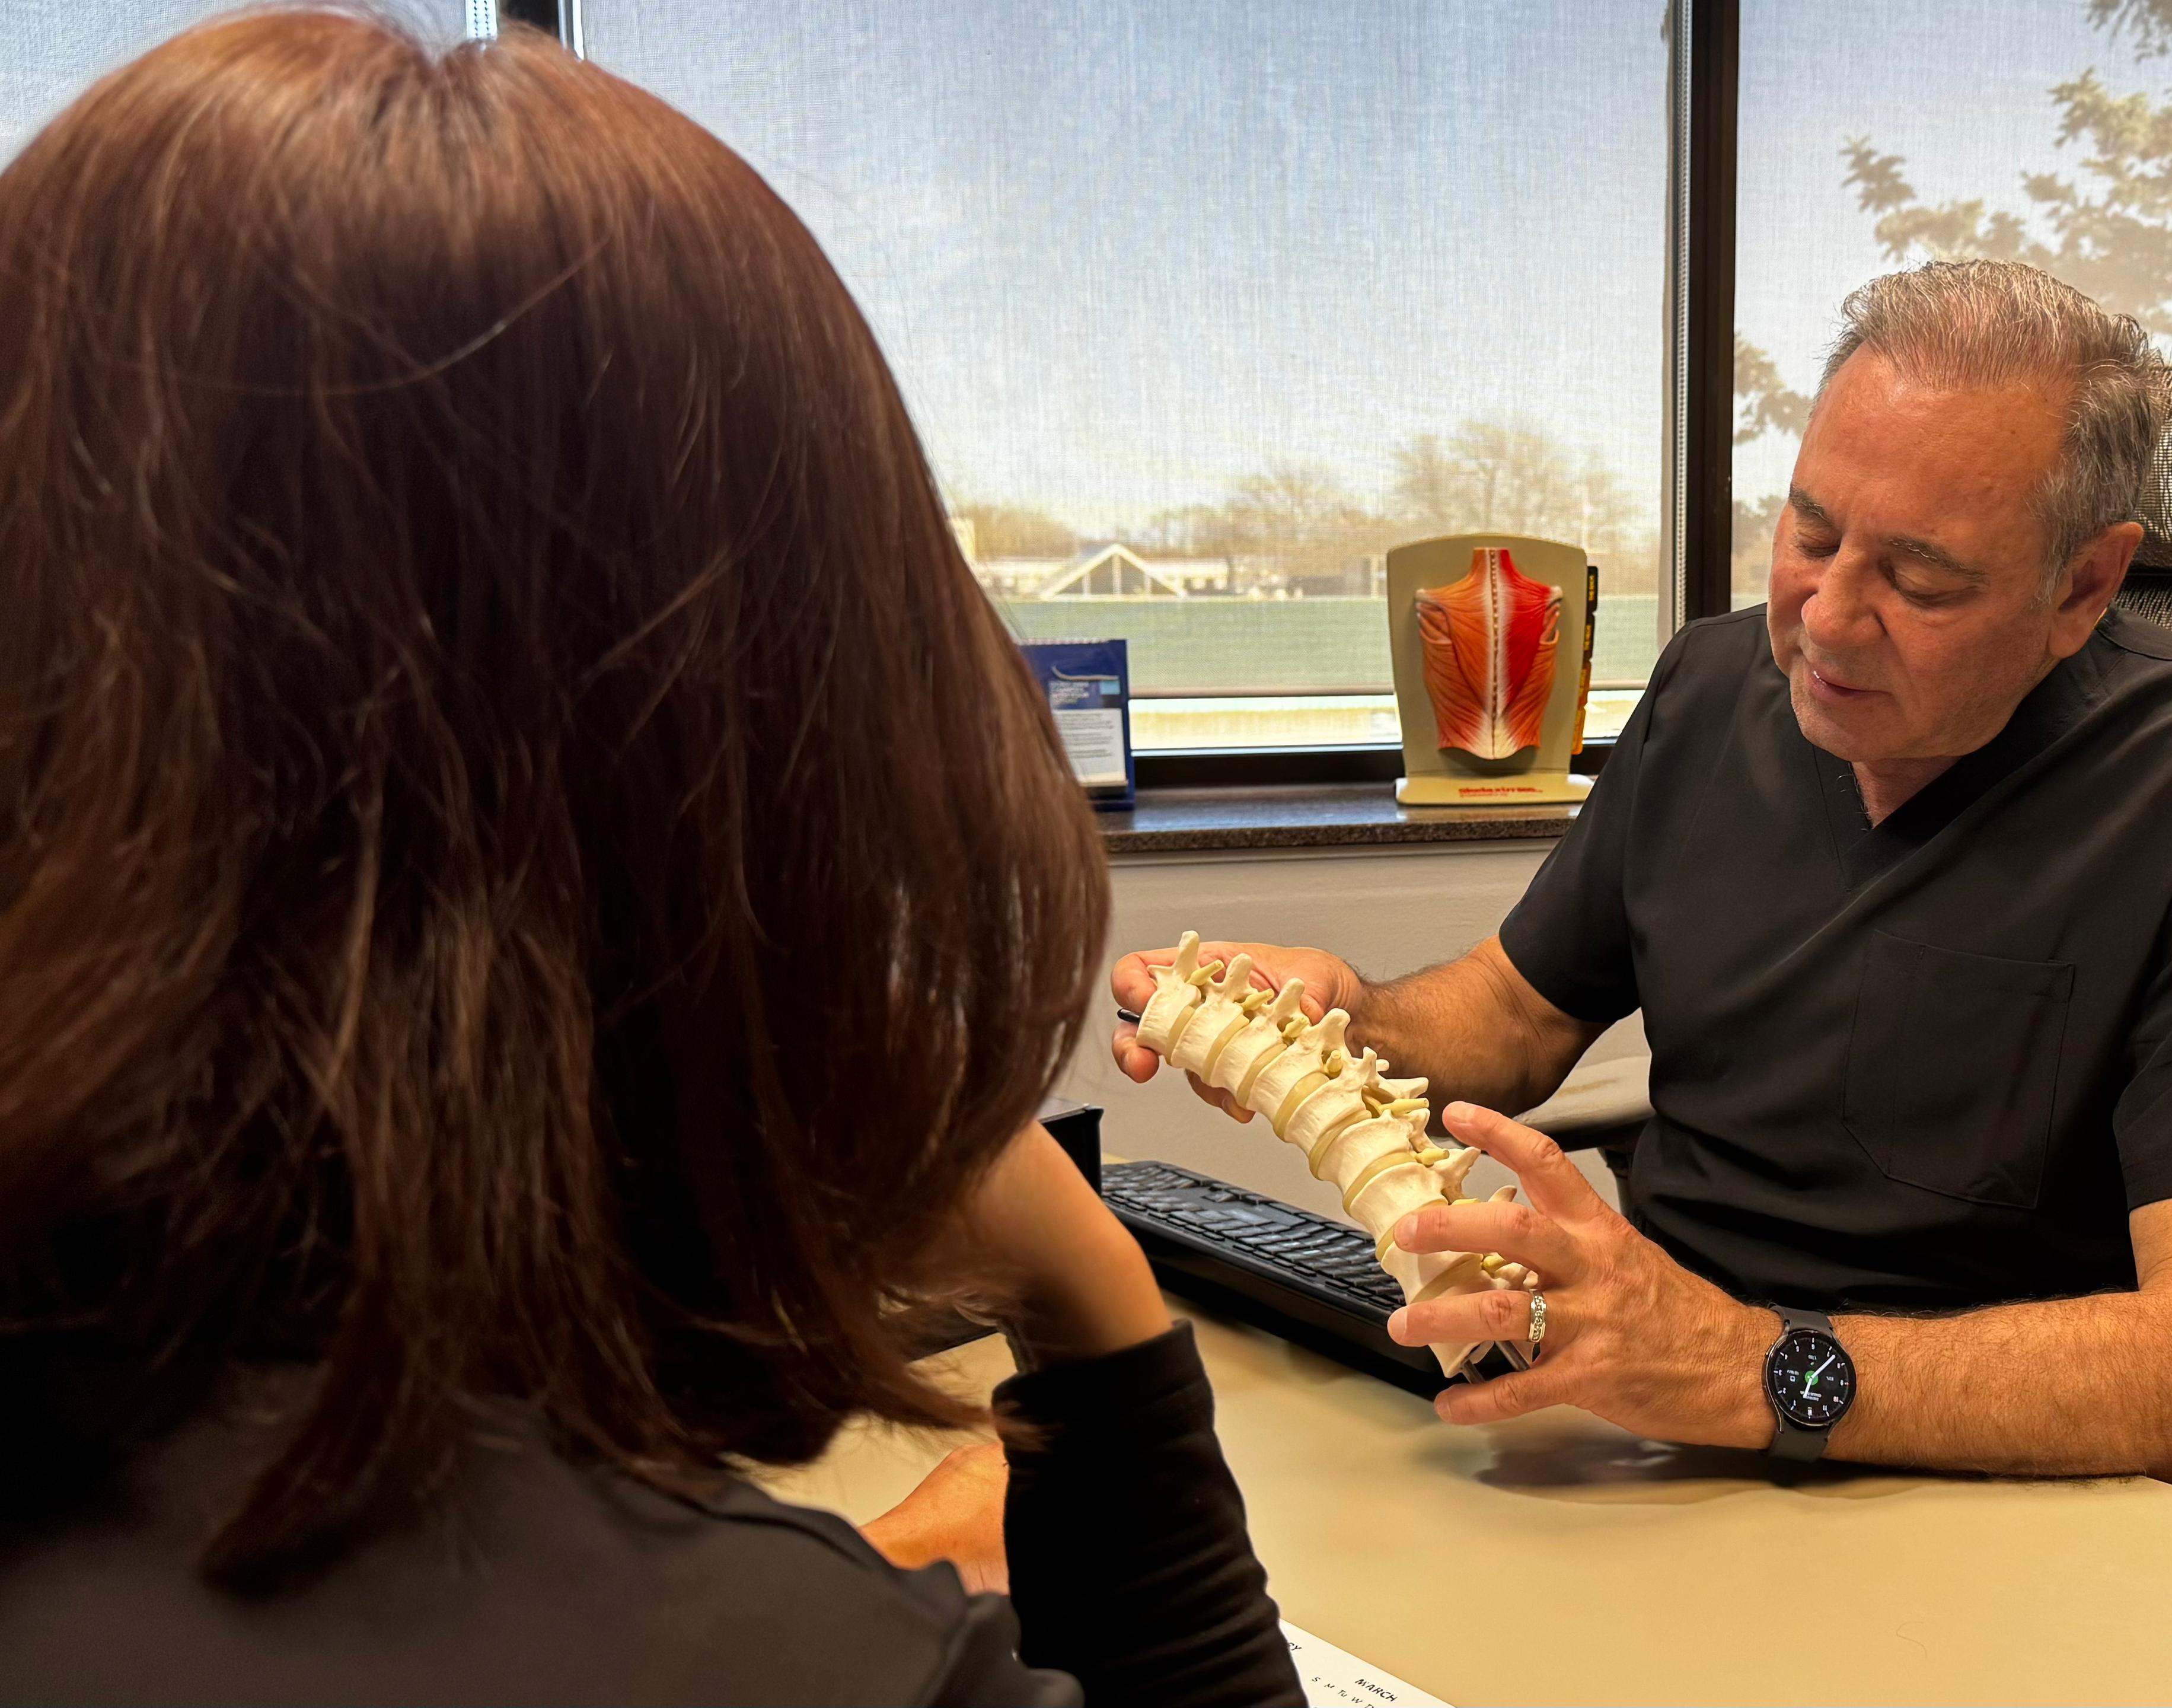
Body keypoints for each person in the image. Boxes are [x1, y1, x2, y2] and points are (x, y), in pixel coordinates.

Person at [0, 14, 1298, 1704]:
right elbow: (1501, 1012)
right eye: (1780, 534)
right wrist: (1132, 1263)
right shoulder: (807, 1665)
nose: (1781, 596)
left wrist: (1759, 1368)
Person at [1115, 260, 2172, 1493]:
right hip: (1657, 1428)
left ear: (2085, 584)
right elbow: (1514, 1012)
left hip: (1999, 1473)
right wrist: (1346, 1020)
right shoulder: (1713, 687)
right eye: (1812, 531)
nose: (1827, 618)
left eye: (1920, 575)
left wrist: (1752, 1369)